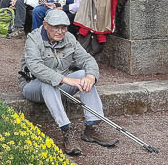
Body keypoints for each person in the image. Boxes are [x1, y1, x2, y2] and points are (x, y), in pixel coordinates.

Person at [19, 9, 118, 155]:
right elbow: (36, 68)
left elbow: (87, 59)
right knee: (50, 81)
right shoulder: (33, 39)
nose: (60, 31)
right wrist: (64, 79)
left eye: (64, 27)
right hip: (33, 86)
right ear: (45, 25)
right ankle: (66, 131)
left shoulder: (69, 38)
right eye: (56, 27)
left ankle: (92, 127)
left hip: (62, 85)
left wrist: (91, 76)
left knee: (84, 74)